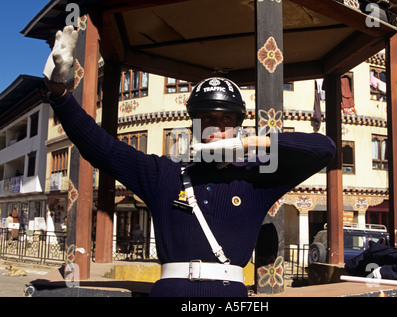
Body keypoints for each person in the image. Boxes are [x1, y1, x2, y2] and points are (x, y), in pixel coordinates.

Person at [43, 26, 336, 297]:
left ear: (237, 124)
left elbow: (323, 148)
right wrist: (59, 94)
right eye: (207, 118)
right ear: (195, 124)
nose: (216, 126)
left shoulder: (257, 177)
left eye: (226, 119)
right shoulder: (163, 173)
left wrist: (248, 142)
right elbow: (100, 148)